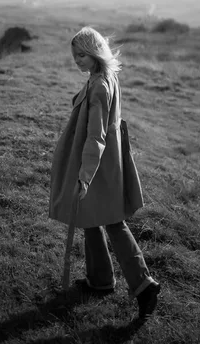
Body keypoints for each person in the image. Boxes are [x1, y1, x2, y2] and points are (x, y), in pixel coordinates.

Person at [49, 26, 160, 320]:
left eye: (82, 55)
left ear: (95, 52)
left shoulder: (100, 85)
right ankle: (100, 280)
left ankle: (144, 284)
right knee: (91, 217)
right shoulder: (103, 77)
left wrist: (84, 176)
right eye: (74, 56)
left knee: (112, 222)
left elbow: (96, 136)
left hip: (98, 163)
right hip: (106, 160)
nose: (77, 60)